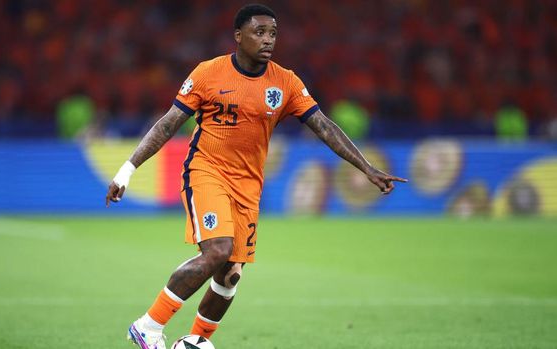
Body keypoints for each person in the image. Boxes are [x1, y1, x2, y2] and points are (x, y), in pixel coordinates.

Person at [105, 4, 407, 349]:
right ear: (238, 36)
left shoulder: (286, 81)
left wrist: (366, 167)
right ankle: (148, 326)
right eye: (259, 32)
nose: (268, 40)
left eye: (273, 33)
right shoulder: (208, 73)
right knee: (218, 250)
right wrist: (127, 169)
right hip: (207, 171)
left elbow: (323, 125)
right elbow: (167, 124)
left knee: (230, 274)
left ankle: (194, 343)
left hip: (249, 186)